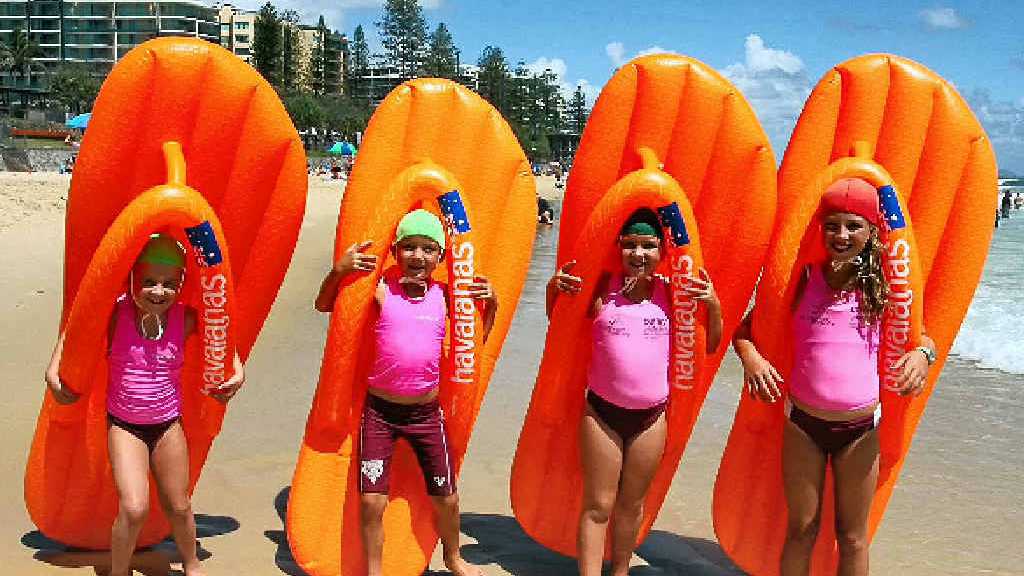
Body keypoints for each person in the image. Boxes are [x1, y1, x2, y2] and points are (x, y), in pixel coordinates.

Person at [736, 178, 936, 576]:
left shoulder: (886, 287)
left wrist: (923, 355)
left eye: (852, 226)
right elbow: (746, 331)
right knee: (802, 530)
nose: (841, 235)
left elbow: (921, 335)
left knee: (853, 537)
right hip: (803, 427)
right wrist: (752, 359)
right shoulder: (803, 279)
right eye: (833, 225)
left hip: (860, 430)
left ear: (871, 231)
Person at [44, 234, 245, 576]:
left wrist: (237, 371)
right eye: (149, 282)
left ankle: (192, 565)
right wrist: (53, 369)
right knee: (134, 508)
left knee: (179, 506)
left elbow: (223, 338)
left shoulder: (185, 318)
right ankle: (120, 572)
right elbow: (76, 325)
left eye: (169, 284)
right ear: (133, 279)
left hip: (168, 425)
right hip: (125, 426)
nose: (158, 291)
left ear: (181, 284)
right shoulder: (116, 313)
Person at [314, 209, 497, 576]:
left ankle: (453, 558)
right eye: (409, 247)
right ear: (396, 252)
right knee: (371, 502)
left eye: (428, 249)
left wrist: (491, 302)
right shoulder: (380, 289)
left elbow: (476, 342)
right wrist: (339, 271)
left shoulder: (447, 297)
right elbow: (325, 305)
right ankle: (375, 571)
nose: (418, 256)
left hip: (426, 415)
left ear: (441, 258)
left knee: (447, 497)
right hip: (379, 412)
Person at [547, 208, 723, 576]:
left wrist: (714, 306)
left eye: (648, 246)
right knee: (598, 505)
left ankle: (621, 571)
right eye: (630, 245)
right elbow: (558, 325)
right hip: (601, 413)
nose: (638, 254)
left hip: (651, 417)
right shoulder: (602, 288)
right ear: (618, 248)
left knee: (631, 505)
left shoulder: (673, 295)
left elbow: (707, 347)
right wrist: (553, 288)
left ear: (662, 252)